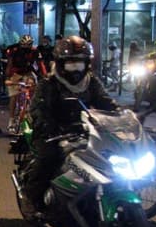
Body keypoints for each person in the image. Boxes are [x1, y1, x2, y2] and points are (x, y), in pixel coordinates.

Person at [21, 36, 118, 212]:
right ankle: (31, 197)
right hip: (53, 132)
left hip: (85, 130)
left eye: (79, 64)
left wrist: (120, 116)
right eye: (71, 64)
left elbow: (106, 102)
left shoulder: (91, 82)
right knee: (48, 158)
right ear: (60, 63)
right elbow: (39, 109)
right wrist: (48, 126)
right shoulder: (49, 83)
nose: (75, 69)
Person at [4, 35, 46, 132]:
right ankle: (11, 120)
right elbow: (9, 65)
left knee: (33, 88)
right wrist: (7, 78)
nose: (26, 49)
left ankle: (30, 111)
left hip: (28, 72)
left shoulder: (35, 51)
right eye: (24, 46)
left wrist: (45, 76)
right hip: (15, 72)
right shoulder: (14, 50)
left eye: (28, 46)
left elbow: (41, 64)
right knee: (14, 95)